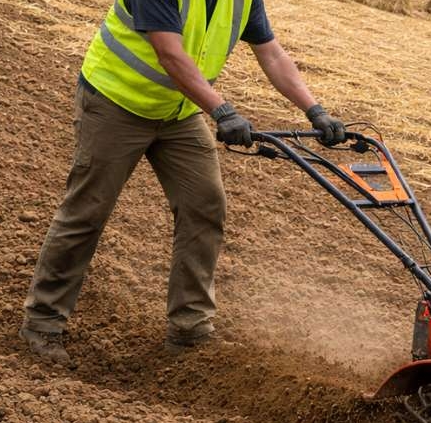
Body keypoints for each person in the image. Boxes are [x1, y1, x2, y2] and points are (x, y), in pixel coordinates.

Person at [18, 0, 347, 364]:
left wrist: (315, 110)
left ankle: (190, 330)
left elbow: (271, 54)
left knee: (204, 205)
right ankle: (43, 322)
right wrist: (223, 111)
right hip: (116, 102)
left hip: (178, 113)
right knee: (88, 211)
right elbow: (170, 54)